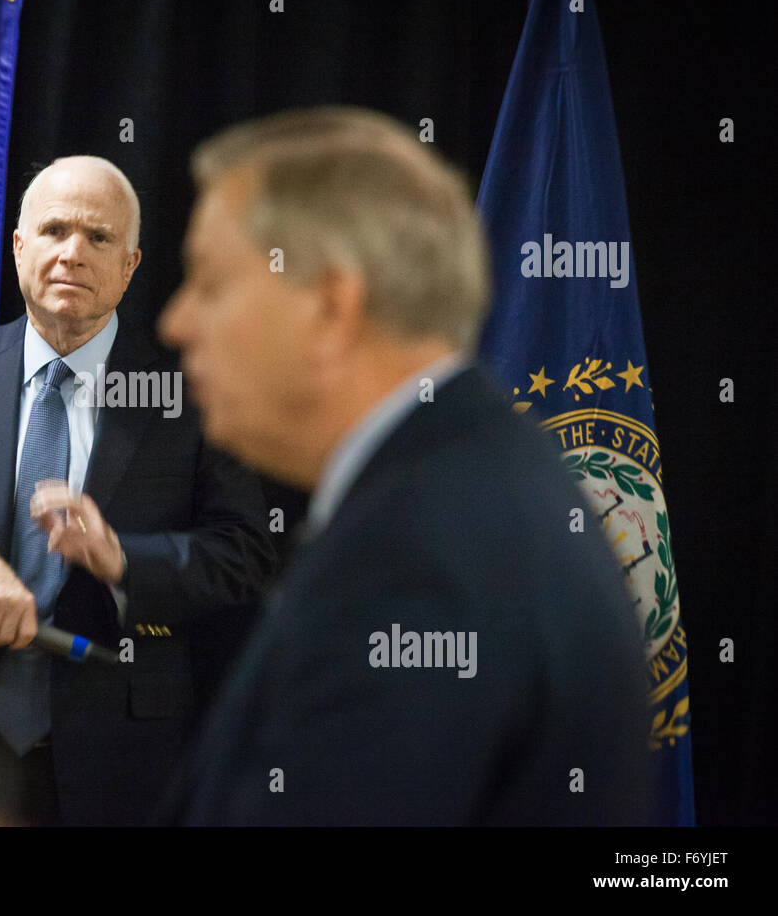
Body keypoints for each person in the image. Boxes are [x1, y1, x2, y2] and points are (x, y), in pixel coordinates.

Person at [155, 107, 651, 824]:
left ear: (331, 307)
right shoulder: (478, 481)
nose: (176, 321)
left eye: (208, 282)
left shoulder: (416, 553)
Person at [0, 155, 274, 826]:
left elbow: (245, 552)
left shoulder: (193, 399)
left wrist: (123, 558)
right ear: (17, 248)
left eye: (98, 238)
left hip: (115, 756)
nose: (72, 253)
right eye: (54, 230)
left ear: (130, 265)